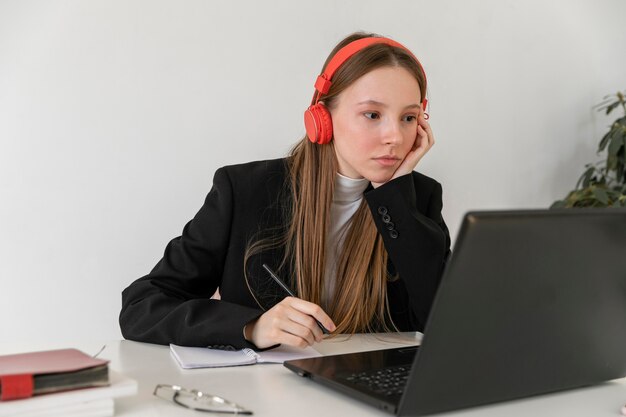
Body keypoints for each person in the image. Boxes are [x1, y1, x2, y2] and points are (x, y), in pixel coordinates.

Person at [119, 32, 451, 351]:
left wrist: (394, 199)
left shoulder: (417, 200)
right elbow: (142, 306)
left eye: (409, 117)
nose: (394, 136)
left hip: (371, 397)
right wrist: (252, 326)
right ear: (322, 116)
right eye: (372, 114)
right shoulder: (244, 190)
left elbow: (446, 322)